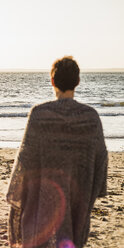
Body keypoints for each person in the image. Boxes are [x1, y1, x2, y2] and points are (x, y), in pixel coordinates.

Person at [6, 56, 108, 248]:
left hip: (42, 203)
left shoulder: (39, 114)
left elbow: (25, 161)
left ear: (52, 81)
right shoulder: (91, 117)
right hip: (76, 201)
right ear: (77, 81)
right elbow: (101, 161)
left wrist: (18, 192)